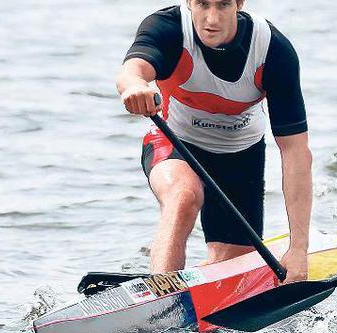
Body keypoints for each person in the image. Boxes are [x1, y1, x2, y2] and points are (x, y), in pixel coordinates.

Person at [116, 0, 310, 282]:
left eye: (222, 5)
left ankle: (188, 285)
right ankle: (160, 293)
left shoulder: (273, 50)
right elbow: (131, 70)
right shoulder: (167, 28)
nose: (212, 18)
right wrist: (135, 86)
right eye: (202, 4)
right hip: (175, 142)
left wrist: (298, 249)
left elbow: (296, 153)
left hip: (241, 154)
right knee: (183, 195)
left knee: (231, 264)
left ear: (239, 3)